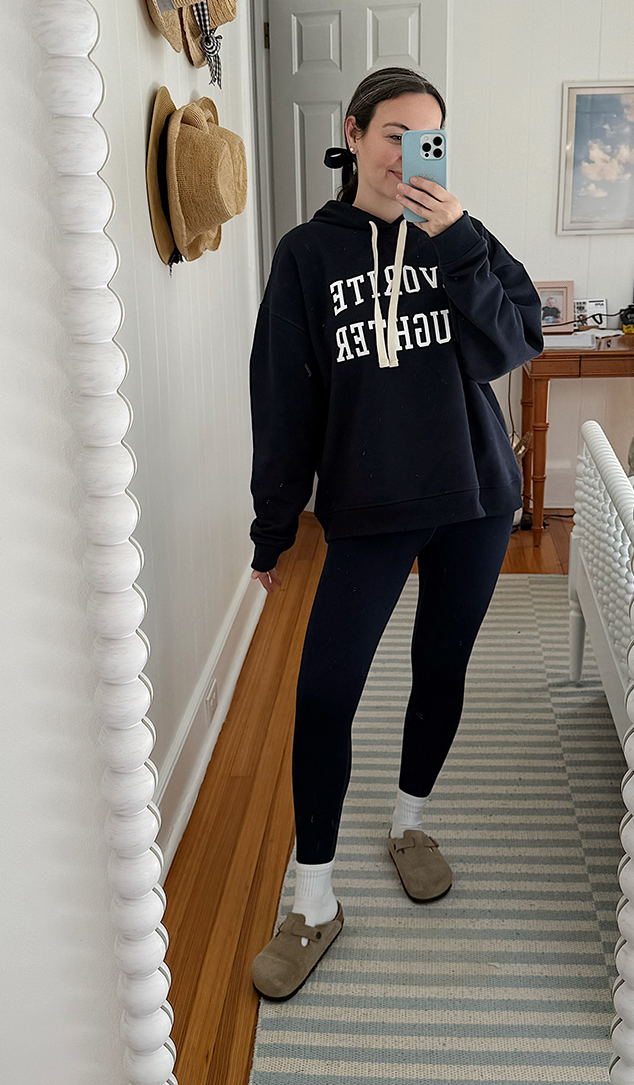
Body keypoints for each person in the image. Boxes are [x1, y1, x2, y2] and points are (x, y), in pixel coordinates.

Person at [248, 66, 544, 1001]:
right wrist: (271, 529)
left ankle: (409, 822)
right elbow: (281, 400)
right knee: (325, 695)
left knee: (440, 671)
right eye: (393, 133)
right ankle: (313, 902)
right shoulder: (306, 253)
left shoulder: (463, 238)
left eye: (428, 137)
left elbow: (509, 349)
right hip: (370, 508)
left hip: (475, 498)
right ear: (354, 134)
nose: (408, 153)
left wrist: (454, 244)